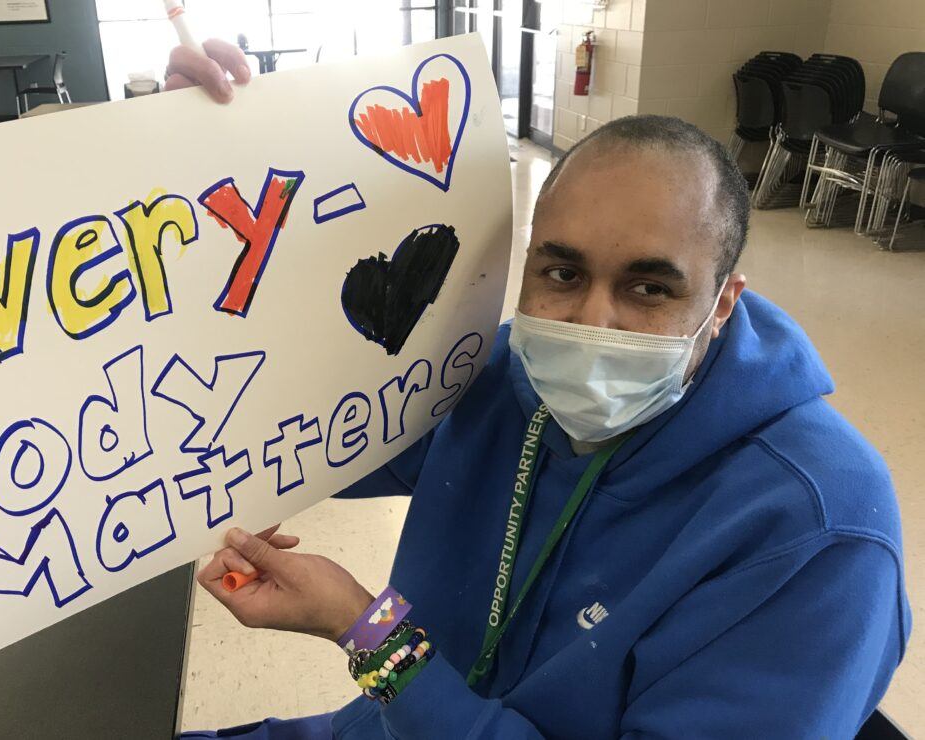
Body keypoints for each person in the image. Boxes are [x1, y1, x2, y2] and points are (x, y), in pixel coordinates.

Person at [168, 41, 910, 738]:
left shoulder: (816, 527)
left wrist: (367, 632)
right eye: (562, 274)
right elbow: (305, 432)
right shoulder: (502, 376)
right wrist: (201, 184)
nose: (592, 323)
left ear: (723, 301)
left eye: (650, 287)